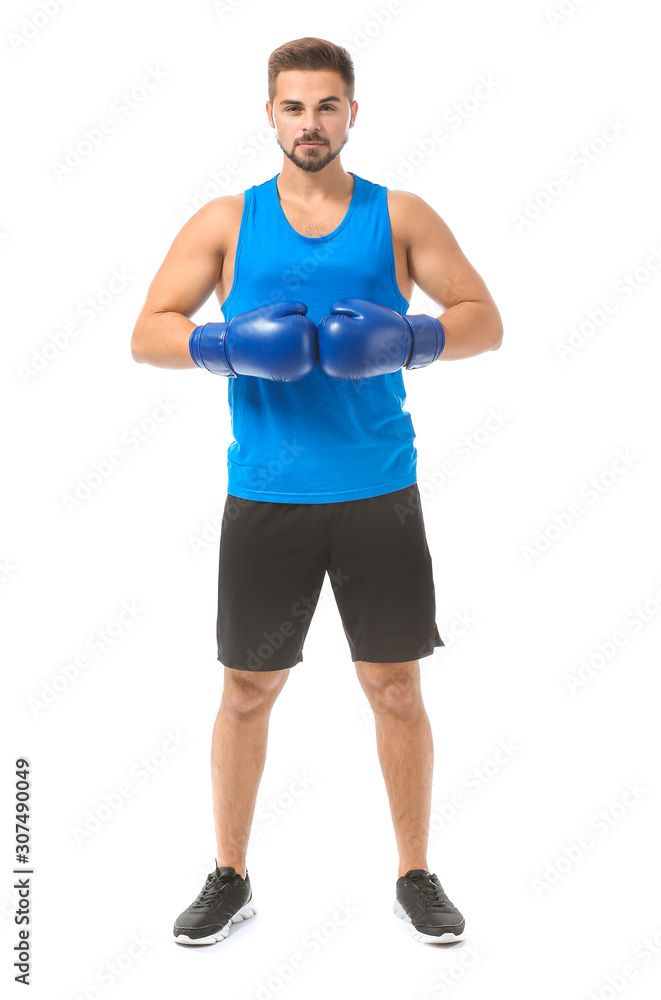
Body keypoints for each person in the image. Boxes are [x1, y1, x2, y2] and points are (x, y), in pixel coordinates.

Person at [131, 36, 503, 947]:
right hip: (266, 493)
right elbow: (147, 331)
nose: (310, 123)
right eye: (293, 107)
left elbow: (483, 320)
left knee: (396, 688)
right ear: (270, 115)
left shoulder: (398, 214)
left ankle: (415, 875)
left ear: (352, 113)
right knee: (248, 690)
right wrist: (223, 346)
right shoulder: (227, 221)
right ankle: (229, 876)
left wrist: (410, 338)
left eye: (326, 106)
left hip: (379, 490)